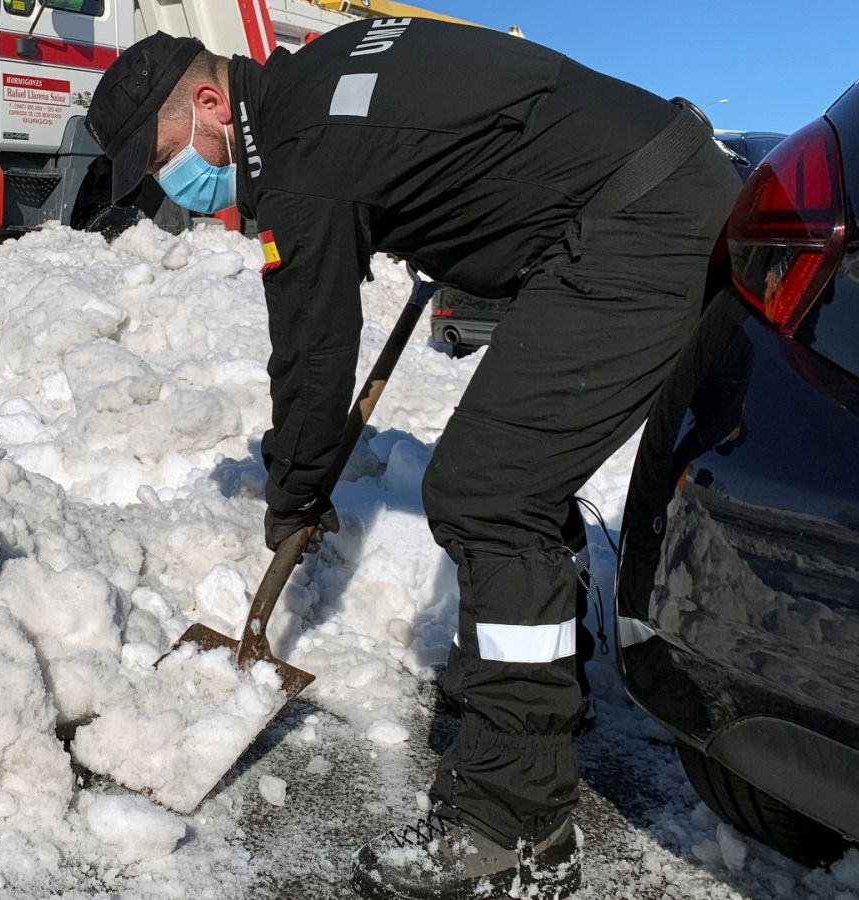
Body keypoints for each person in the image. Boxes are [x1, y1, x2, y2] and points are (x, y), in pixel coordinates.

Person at [85, 20, 735, 900]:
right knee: (510, 480)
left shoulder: (303, 157)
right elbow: (456, 128)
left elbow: (313, 363)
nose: (176, 186)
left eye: (164, 159)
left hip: (636, 222)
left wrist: (296, 493)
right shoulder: (322, 77)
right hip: (643, 191)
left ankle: (515, 825)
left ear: (208, 103)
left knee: (489, 492)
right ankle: (537, 692)